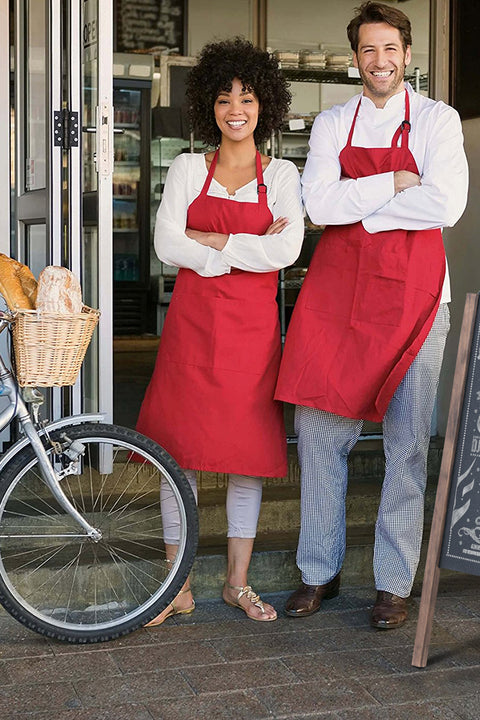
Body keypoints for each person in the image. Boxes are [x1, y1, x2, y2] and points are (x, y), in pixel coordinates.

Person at [275, 2, 468, 629]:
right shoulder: (334, 122)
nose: (379, 61)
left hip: (416, 302)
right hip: (339, 301)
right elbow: (320, 206)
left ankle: (393, 582)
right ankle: (318, 573)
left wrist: (363, 207)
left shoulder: (439, 120)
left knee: (407, 449)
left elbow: (449, 204)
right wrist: (394, 185)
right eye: (367, 50)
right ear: (355, 58)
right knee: (320, 437)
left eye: (390, 49)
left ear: (407, 55)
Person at [137, 37, 303, 625]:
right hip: (191, 329)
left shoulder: (281, 174)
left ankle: (237, 583)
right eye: (227, 96)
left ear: (266, 106)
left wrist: (213, 243)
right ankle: (175, 587)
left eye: (249, 96)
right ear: (209, 103)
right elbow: (165, 244)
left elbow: (287, 248)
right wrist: (243, 249)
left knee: (246, 457)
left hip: (252, 335)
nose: (237, 107)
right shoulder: (187, 167)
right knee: (176, 453)